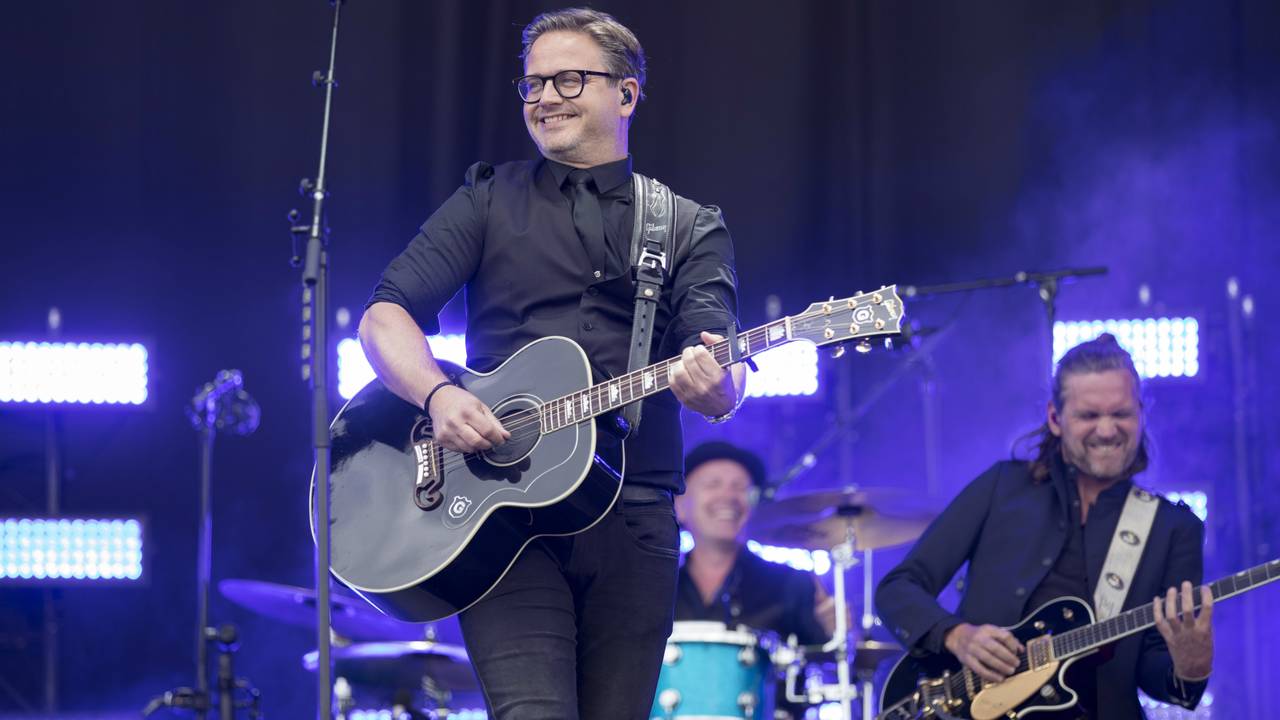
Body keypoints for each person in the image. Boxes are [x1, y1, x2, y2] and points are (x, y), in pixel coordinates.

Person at [357, 8, 747, 720]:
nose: (544, 97)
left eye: (569, 78)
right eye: (532, 83)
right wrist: (438, 396)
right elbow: (386, 317)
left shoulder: (688, 224)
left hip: (632, 516)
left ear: (625, 94)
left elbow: (720, 367)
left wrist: (715, 381)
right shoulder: (486, 199)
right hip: (502, 519)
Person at [875, 334, 1213, 719]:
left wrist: (1192, 667)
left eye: (1121, 414)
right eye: (1089, 415)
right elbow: (898, 589)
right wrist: (957, 636)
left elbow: (1155, 668)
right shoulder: (1003, 487)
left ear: (1141, 414)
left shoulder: (1173, 527)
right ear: (1055, 418)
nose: (1107, 430)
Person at [675, 441, 836, 644]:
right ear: (679, 505)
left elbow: (827, 666)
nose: (728, 496)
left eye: (740, 487)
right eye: (712, 484)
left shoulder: (792, 584)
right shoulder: (654, 587)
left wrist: (836, 635)